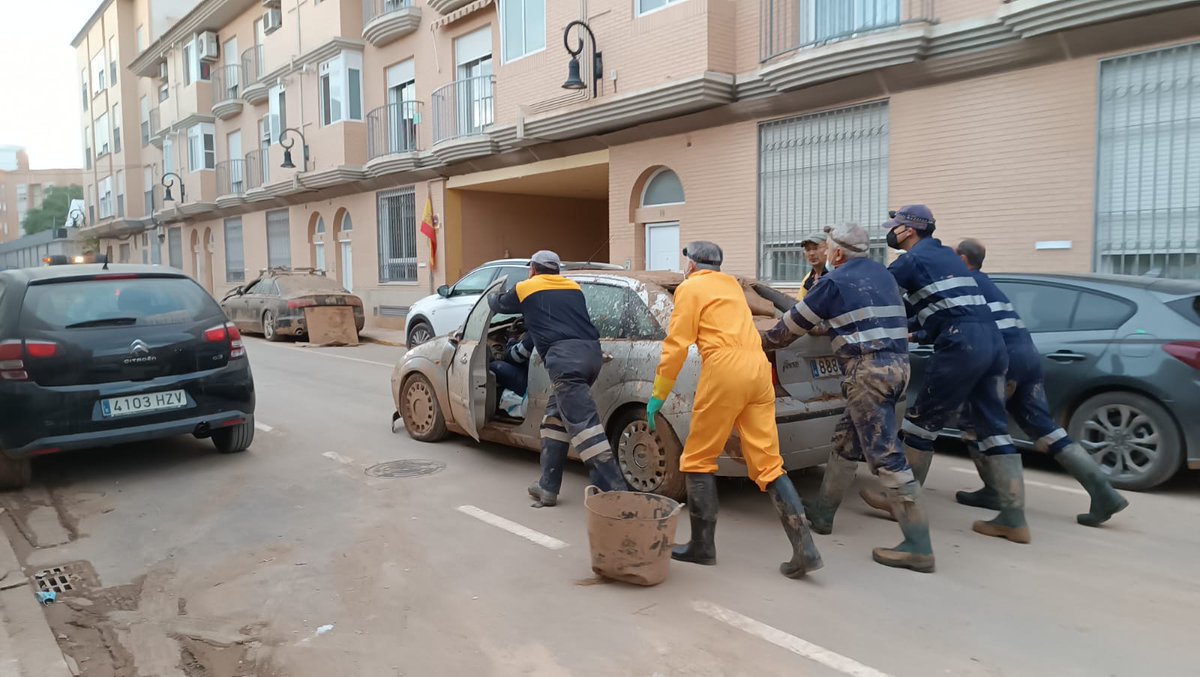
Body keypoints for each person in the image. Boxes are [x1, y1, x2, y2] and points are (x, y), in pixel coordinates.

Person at [763, 224, 934, 573]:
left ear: (837, 254)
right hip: (900, 367)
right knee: (847, 438)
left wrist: (753, 343)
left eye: (826, 248)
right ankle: (823, 513)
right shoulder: (882, 276)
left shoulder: (833, 282)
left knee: (885, 455)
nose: (823, 254)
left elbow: (786, 330)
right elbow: (860, 318)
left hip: (868, 373)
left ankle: (919, 545)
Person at [648, 241, 823, 578]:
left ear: (693, 264)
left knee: (697, 459)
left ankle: (702, 547)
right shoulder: (731, 286)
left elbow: (676, 344)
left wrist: (659, 393)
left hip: (725, 370)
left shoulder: (690, 288)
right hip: (758, 369)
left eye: (687, 261)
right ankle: (806, 549)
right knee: (768, 463)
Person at [860, 205, 1032, 544]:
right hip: (993, 344)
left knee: (920, 424)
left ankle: (899, 501)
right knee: (993, 428)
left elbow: (877, 296)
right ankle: (1014, 518)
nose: (890, 231)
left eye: (893, 226)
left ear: (908, 230)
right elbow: (924, 305)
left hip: (960, 343)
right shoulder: (947, 257)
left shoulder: (911, 261)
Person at [953, 239, 1128, 526]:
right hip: (1027, 355)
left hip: (1000, 360)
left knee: (978, 425)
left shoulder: (965, 285)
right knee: (1043, 426)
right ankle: (1104, 492)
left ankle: (1000, 496)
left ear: (961, 259)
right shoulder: (988, 284)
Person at [489, 250, 627, 508]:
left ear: (533, 269)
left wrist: (492, 293)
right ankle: (547, 487)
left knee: (586, 429)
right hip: (591, 355)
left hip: (565, 362)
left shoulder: (526, 287)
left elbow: (498, 306)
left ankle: (615, 493)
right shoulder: (573, 286)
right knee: (554, 421)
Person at [797, 233, 828, 300]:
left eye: (815, 248)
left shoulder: (835, 276)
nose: (811, 253)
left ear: (828, 249)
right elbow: (799, 304)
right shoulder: (808, 279)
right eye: (808, 249)